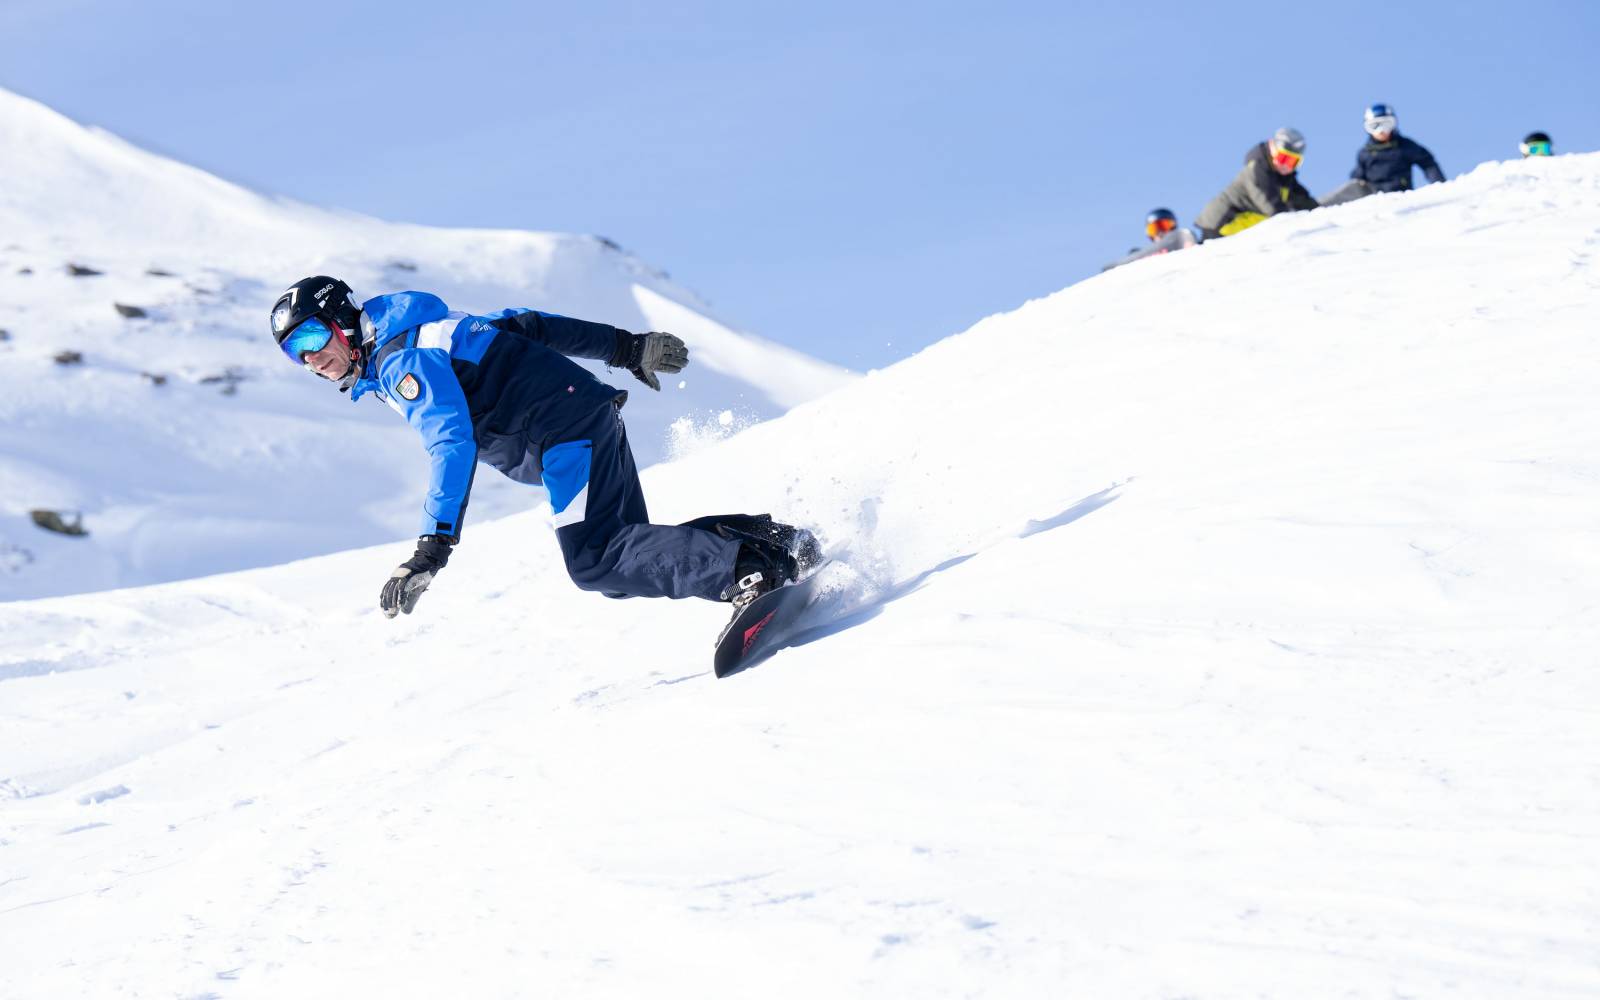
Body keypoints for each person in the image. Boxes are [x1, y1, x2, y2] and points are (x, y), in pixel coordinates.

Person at [268, 277, 819, 619]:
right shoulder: (429, 328)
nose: (312, 358)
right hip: (582, 416)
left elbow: (451, 442)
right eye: (295, 352)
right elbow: (527, 326)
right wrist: (625, 348)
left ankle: (746, 569)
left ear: (341, 320)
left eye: (313, 337)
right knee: (626, 557)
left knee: (596, 560)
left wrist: (431, 549)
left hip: (563, 433)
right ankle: (772, 543)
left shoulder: (401, 360)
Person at [1194, 127, 1318, 240]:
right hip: (1222, 223)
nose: (1286, 165)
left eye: (1293, 162)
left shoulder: (1285, 179)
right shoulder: (1258, 169)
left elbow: (1302, 200)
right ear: (1272, 148)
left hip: (1240, 227)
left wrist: (1323, 214)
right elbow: (1269, 203)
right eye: (1283, 158)